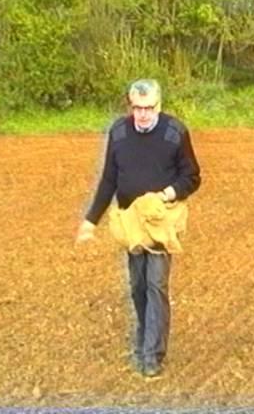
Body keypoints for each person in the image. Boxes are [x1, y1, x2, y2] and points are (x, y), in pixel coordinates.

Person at [75, 79, 201, 377]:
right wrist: (90, 220)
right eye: (137, 108)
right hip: (130, 220)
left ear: (159, 105)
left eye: (149, 108)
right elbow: (109, 180)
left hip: (160, 219)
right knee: (138, 286)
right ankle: (146, 336)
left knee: (156, 284)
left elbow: (192, 176)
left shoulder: (175, 132)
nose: (143, 115)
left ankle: (151, 354)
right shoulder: (118, 132)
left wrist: (167, 194)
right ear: (129, 106)